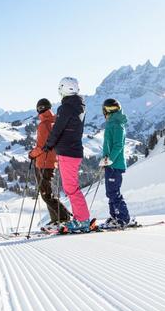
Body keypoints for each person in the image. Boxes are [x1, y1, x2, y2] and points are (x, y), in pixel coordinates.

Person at [43, 77, 95, 232]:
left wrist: (49, 145)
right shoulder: (78, 106)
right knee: (71, 187)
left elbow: (58, 129)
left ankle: (82, 220)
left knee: (71, 188)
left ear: (63, 89)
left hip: (68, 151)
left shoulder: (65, 107)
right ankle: (81, 218)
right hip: (73, 150)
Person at [28, 98, 71, 229]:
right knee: (47, 192)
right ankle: (56, 219)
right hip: (52, 161)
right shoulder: (55, 122)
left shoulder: (43, 125)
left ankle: (64, 217)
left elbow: (41, 147)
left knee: (46, 194)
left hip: (43, 163)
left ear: (38, 110)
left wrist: (31, 154)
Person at [100, 98, 134, 229]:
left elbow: (118, 145)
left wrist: (110, 159)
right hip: (110, 164)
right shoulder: (112, 124)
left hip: (115, 165)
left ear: (107, 110)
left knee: (114, 192)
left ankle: (123, 218)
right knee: (110, 192)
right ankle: (115, 216)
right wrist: (106, 159)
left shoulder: (118, 125)